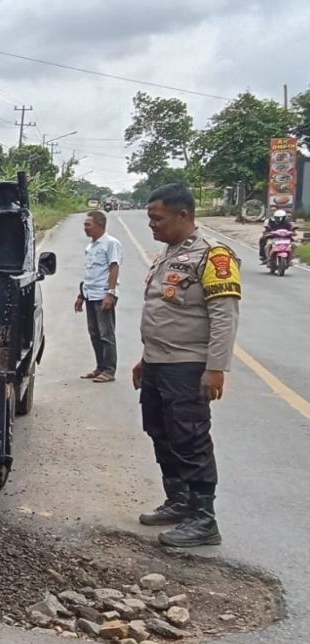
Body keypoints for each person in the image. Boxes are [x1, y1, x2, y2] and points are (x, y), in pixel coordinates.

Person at [134, 184, 240, 547]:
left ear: (184, 215)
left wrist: (216, 368)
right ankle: (178, 501)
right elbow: (162, 311)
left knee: (190, 439)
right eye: (150, 219)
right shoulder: (168, 253)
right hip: (158, 363)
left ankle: (203, 518)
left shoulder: (212, 256)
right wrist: (145, 358)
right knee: (160, 431)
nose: (152, 225)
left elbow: (224, 316)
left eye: (157, 219)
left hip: (187, 365)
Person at [73, 211, 122, 383]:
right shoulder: (91, 247)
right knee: (94, 333)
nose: (85, 228)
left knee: (106, 334)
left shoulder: (111, 244)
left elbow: (114, 268)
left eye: (88, 225)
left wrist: (110, 293)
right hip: (90, 294)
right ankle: (100, 366)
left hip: (103, 295)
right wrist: (81, 295)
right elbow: (90, 273)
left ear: (100, 225)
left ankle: (109, 370)